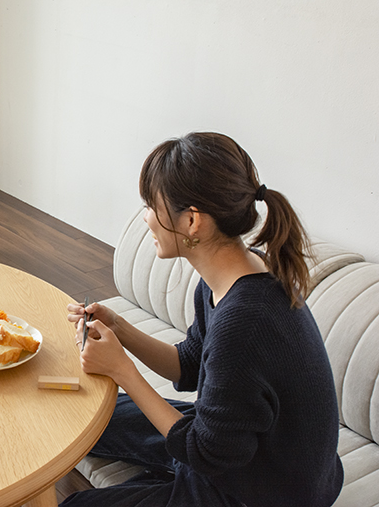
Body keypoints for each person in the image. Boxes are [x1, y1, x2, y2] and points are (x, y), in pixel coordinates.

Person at [63, 133, 343, 506]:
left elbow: (202, 453)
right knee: (88, 417)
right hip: (240, 449)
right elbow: (189, 365)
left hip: (259, 490)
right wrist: (120, 330)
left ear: (193, 221)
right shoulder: (237, 273)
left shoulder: (244, 324)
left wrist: (123, 371)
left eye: (151, 204)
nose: (145, 217)